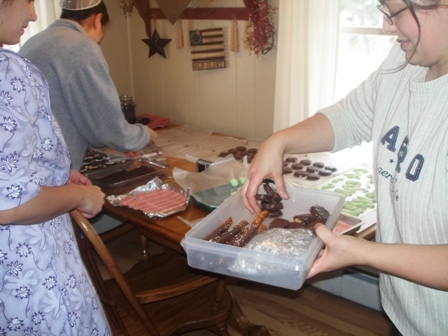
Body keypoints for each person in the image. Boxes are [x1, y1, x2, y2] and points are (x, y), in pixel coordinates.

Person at [241, 0, 448, 335]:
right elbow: (350, 118)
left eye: (394, 13)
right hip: (405, 310)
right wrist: (277, 142)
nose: (385, 27)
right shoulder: (403, 61)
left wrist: (364, 252)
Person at [0, 0, 110, 334]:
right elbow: (10, 202)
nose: (33, 14)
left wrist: (56, 175)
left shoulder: (32, 44)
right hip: (29, 265)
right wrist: (79, 195)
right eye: (28, 1)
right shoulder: (7, 73)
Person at [19, 0, 158, 170]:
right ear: (97, 20)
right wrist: (142, 135)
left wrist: (108, 143)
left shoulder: (34, 41)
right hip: (51, 172)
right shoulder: (81, 46)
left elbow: (69, 112)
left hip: (25, 164)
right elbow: (106, 123)